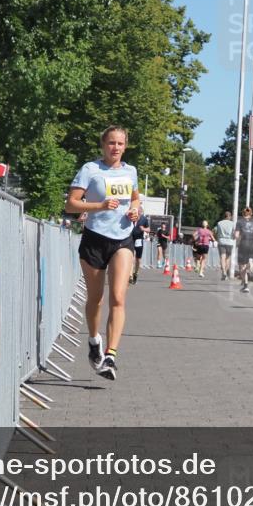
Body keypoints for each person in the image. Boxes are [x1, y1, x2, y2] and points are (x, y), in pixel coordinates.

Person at [65, 125, 140, 381]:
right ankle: (94, 340)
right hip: (95, 240)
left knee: (118, 298)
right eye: (111, 143)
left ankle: (110, 356)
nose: (115, 148)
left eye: (120, 143)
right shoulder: (90, 169)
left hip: (122, 238)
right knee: (95, 298)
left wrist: (135, 210)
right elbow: (71, 204)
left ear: (125, 146)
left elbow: (135, 198)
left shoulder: (131, 171)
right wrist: (99, 205)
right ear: (102, 145)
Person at [234, 206, 253, 293]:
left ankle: (246, 285)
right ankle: (250, 264)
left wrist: (237, 237)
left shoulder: (239, 222)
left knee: (241, 266)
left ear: (243, 214)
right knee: (247, 265)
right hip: (252, 244)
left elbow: (236, 235)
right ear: (251, 213)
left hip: (243, 244)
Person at [214, 211, 235, 280]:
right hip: (230, 242)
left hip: (221, 241)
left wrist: (216, 238)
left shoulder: (219, 223)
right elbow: (234, 233)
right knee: (228, 258)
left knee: (222, 257)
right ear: (230, 216)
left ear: (224, 216)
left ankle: (223, 272)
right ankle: (225, 272)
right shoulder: (232, 224)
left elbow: (215, 231)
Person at [130, 208, 149, 284]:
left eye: (140, 211)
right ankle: (130, 275)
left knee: (138, 258)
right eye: (137, 211)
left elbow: (148, 229)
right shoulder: (132, 217)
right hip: (130, 238)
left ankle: (136, 273)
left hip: (139, 240)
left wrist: (143, 229)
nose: (138, 213)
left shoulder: (144, 219)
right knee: (131, 256)